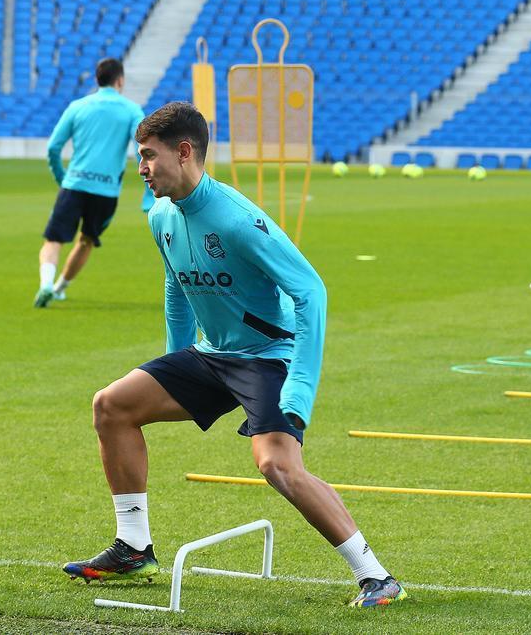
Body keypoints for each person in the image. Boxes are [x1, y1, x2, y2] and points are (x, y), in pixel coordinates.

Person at [62, 103, 405, 608]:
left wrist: (300, 387)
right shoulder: (160, 216)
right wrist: (174, 364)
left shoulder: (239, 219)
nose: (140, 168)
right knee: (110, 406)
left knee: (277, 466)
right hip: (210, 356)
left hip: (269, 357)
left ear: (183, 153)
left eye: (148, 156)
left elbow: (311, 291)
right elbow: (176, 286)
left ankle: (377, 577)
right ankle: (134, 546)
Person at [35, 57, 145, 307]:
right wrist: (149, 192)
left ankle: (45, 285)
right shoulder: (131, 111)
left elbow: (53, 147)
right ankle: (59, 288)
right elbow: (143, 149)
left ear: (97, 80)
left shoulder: (78, 106)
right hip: (106, 191)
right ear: (120, 80)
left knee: (53, 240)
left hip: (74, 184)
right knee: (86, 240)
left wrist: (61, 177)